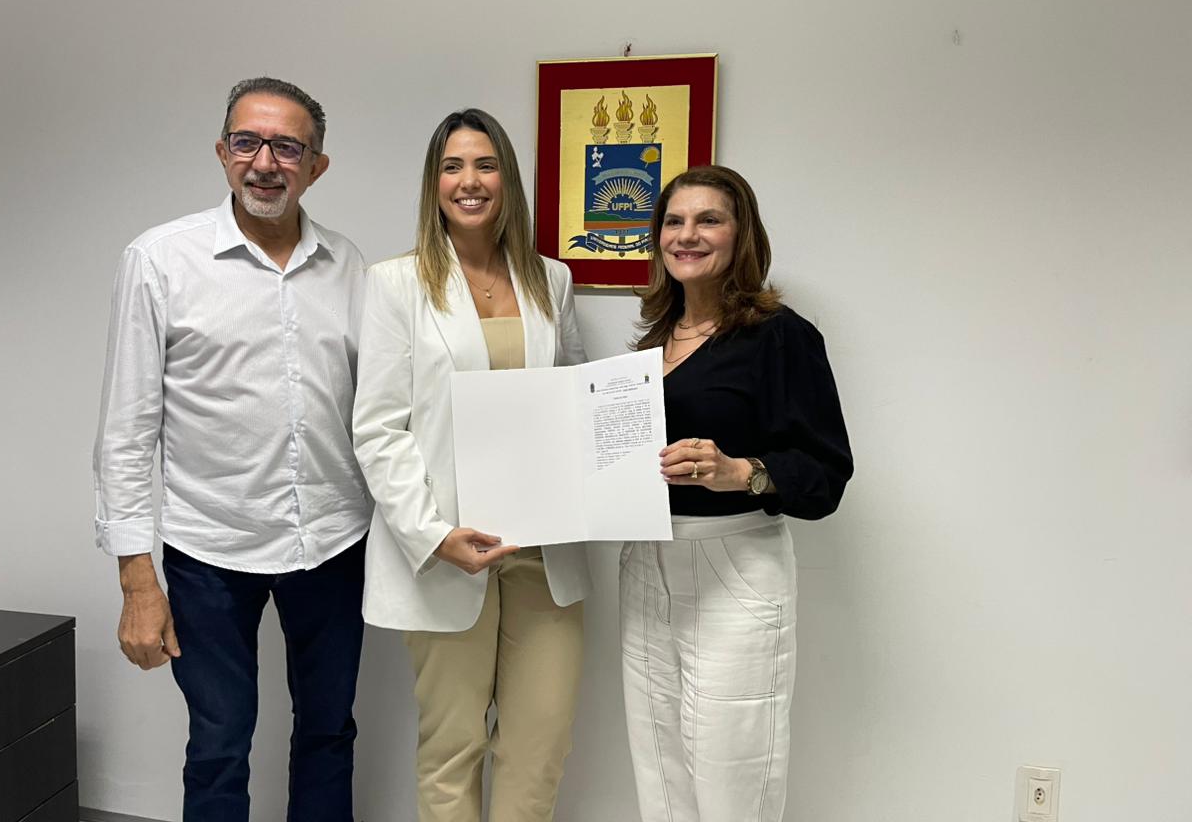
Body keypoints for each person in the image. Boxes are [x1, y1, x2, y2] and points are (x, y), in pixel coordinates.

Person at [92, 77, 370, 822]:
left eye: (288, 147)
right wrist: (137, 581)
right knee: (219, 744)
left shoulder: (350, 267)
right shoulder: (160, 261)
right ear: (222, 152)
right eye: (247, 142)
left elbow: (378, 409)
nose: (265, 162)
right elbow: (126, 430)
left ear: (317, 167)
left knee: (329, 732)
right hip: (209, 549)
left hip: (333, 543)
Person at [353, 108, 591, 822]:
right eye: (452, 166)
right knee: (452, 747)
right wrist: (432, 536)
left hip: (543, 551)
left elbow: (574, 401)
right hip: (449, 549)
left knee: (539, 747)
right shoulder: (395, 283)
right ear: (433, 184)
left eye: (485, 165)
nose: (470, 181)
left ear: (507, 179)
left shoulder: (551, 280)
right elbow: (378, 429)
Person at [620, 165, 854, 822]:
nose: (687, 235)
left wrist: (743, 471)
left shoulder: (780, 336)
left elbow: (826, 474)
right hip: (647, 565)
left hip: (734, 568)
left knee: (733, 782)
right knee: (660, 778)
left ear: (741, 233)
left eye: (708, 220)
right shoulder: (656, 339)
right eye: (673, 221)